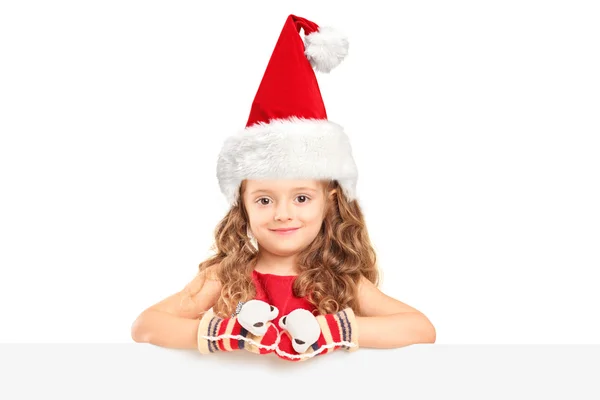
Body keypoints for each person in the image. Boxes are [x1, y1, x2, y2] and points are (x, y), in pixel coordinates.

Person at [131, 14, 436, 361]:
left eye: (302, 197)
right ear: (242, 204)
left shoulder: (342, 282)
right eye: (263, 199)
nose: (282, 214)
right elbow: (146, 325)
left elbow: (421, 329)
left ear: (330, 202)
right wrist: (229, 333)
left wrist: (328, 331)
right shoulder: (227, 276)